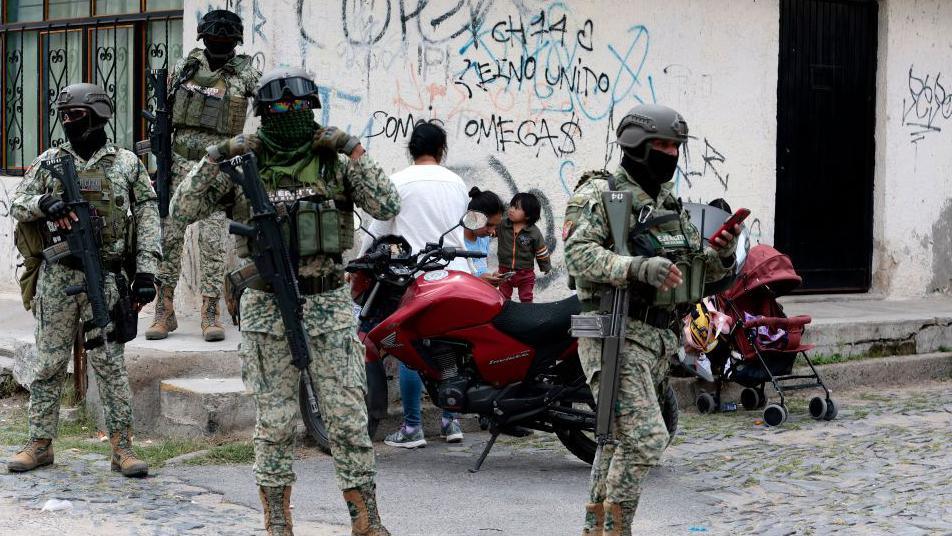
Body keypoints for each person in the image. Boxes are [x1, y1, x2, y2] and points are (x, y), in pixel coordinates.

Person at [171, 66, 398, 536]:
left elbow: (387, 204)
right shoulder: (243, 164)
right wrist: (218, 153)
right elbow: (182, 209)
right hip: (267, 309)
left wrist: (354, 149)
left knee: (349, 421)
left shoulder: (333, 160)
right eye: (280, 109)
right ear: (264, 114)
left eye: (299, 107)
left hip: (330, 306)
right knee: (274, 424)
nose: (291, 116)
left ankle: (367, 521)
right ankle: (278, 523)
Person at [564, 104, 740, 536]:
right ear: (636, 146)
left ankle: (597, 529)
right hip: (616, 331)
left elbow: (697, 270)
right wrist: (636, 267)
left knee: (617, 444)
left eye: (677, 146)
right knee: (644, 440)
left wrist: (724, 253)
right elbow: (577, 254)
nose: (671, 154)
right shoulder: (600, 196)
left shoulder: (668, 204)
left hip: (658, 339)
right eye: (662, 145)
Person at [7, 83, 160, 478]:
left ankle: (122, 447)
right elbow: (18, 202)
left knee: (110, 363)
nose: (68, 122)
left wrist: (146, 271)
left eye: (75, 115)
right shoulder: (51, 160)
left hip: (106, 277)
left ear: (97, 115)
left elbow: (146, 216)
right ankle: (39, 443)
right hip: (58, 276)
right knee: (48, 363)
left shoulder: (126, 164)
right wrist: (46, 203)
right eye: (64, 116)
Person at [146, 8, 261, 342]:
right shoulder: (186, 67)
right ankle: (163, 310)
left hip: (218, 170)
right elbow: (163, 112)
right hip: (179, 165)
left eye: (225, 39)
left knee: (211, 240)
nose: (219, 43)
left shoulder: (245, 74)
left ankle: (210, 312)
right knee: (168, 238)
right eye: (214, 37)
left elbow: (266, 103)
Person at [357, 121, 469, 448]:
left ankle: (412, 427)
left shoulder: (398, 181)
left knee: (411, 351)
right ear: (441, 150)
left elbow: (377, 230)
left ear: (411, 149)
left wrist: (359, 264)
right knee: (451, 349)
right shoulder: (457, 182)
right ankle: (451, 422)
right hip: (457, 276)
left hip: (415, 279)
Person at [496, 192, 551, 302]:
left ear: (528, 215)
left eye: (516, 208)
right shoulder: (503, 225)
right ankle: (504, 316)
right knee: (503, 297)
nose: (511, 209)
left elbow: (541, 250)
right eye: (512, 206)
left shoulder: (533, 232)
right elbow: (491, 231)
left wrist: (545, 266)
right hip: (504, 271)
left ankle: (527, 315)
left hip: (525, 274)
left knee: (526, 297)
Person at [463, 187, 506, 284]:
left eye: (495, 226)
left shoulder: (484, 239)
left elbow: (480, 270)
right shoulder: (457, 243)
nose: (491, 231)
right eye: (489, 225)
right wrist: (480, 281)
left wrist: (491, 277)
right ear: (473, 217)